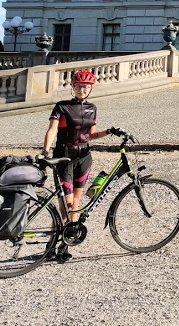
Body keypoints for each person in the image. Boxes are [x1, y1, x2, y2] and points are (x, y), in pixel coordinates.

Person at [41, 69, 121, 261]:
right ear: (72, 87)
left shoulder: (92, 108)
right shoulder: (61, 107)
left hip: (84, 157)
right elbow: (52, 130)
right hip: (64, 157)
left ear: (90, 88)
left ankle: (65, 244)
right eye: (78, 86)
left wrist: (109, 131)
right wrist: (45, 149)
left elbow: (91, 135)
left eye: (85, 87)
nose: (81, 90)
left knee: (75, 204)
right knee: (66, 205)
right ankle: (52, 244)